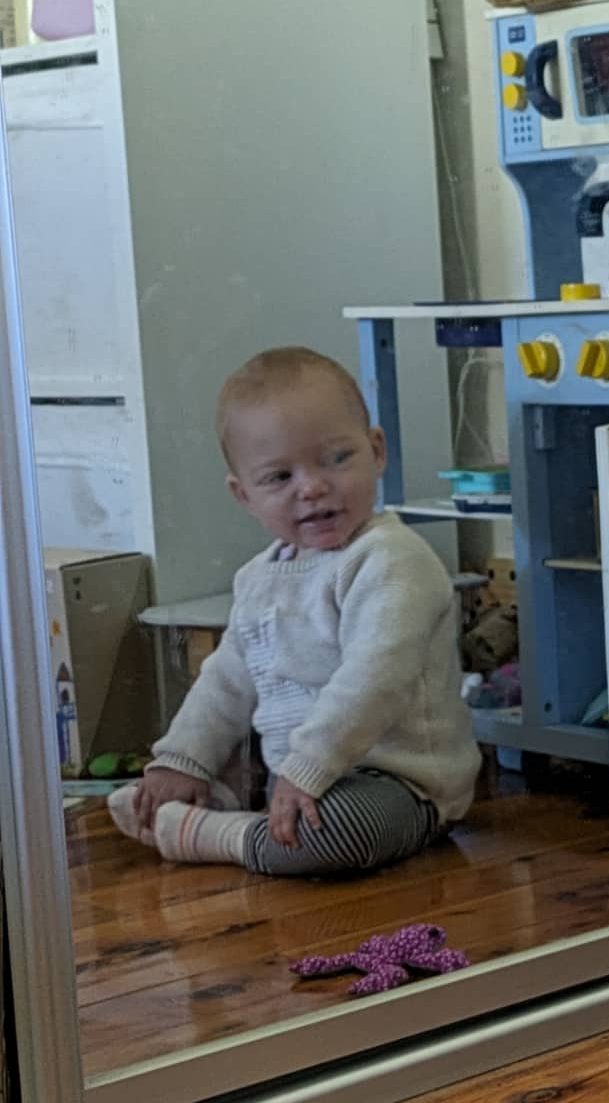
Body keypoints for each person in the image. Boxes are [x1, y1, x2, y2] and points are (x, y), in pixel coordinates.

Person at [109, 347, 481, 877]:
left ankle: (220, 834)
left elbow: (373, 681)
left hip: (400, 785)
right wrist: (183, 758)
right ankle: (211, 802)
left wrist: (308, 767)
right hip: (299, 778)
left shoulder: (393, 560)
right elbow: (226, 682)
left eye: (336, 459)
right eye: (279, 477)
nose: (312, 487)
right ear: (244, 495)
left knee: (340, 833)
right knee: (277, 797)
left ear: (376, 451)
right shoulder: (258, 578)